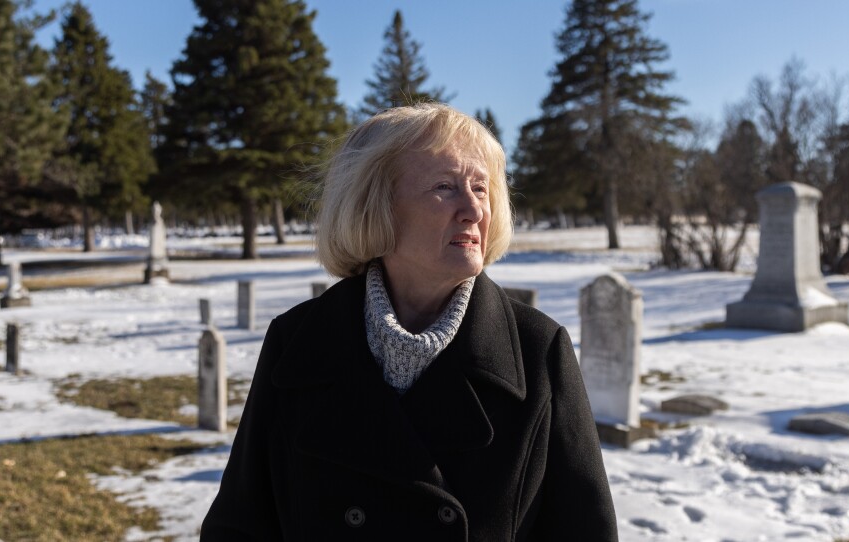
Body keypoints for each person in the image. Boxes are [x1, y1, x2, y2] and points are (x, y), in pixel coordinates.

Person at [200, 103, 618, 541]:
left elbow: (584, 530)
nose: (474, 210)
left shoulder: (538, 350)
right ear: (374, 206)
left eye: (481, 188)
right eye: (445, 187)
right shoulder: (298, 341)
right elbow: (241, 524)